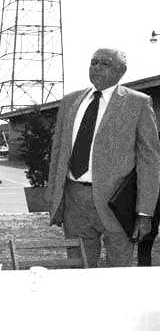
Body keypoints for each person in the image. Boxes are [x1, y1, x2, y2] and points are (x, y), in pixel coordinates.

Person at [47, 48, 160, 267]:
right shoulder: (70, 102)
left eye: (105, 64)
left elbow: (150, 161)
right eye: (93, 62)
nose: (96, 68)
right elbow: (58, 152)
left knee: (118, 273)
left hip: (117, 203)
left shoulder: (138, 104)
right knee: (78, 269)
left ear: (121, 72)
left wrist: (145, 212)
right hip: (75, 201)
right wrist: (54, 196)